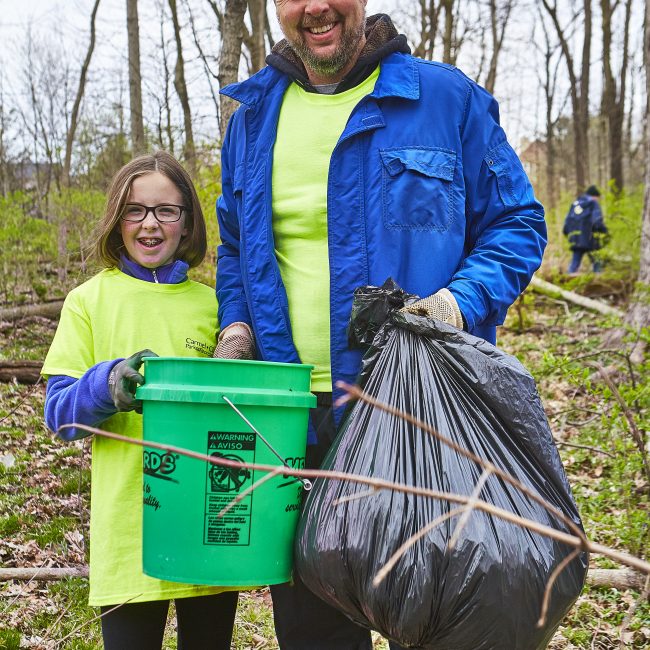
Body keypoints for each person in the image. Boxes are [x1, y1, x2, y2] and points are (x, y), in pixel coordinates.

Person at [214, 2, 546, 648]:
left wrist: (456, 302)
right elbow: (233, 247)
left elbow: (518, 224)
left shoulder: (444, 100)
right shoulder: (252, 121)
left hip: (423, 426)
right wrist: (235, 327)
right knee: (316, 637)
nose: (314, 7)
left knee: (442, 628)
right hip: (297, 433)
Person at [41, 151, 238, 649]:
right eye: (136, 210)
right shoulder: (88, 301)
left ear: (188, 222)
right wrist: (106, 387)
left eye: (166, 211)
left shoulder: (211, 305)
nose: (150, 224)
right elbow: (57, 412)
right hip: (129, 535)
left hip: (205, 531)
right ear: (117, 219)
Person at [563, 184, 608, 273]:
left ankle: (568, 279)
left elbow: (567, 222)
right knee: (596, 260)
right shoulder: (593, 203)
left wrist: (569, 235)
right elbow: (597, 220)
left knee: (575, 262)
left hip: (575, 238)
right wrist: (604, 230)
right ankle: (598, 279)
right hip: (590, 238)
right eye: (597, 197)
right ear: (594, 196)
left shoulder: (575, 204)